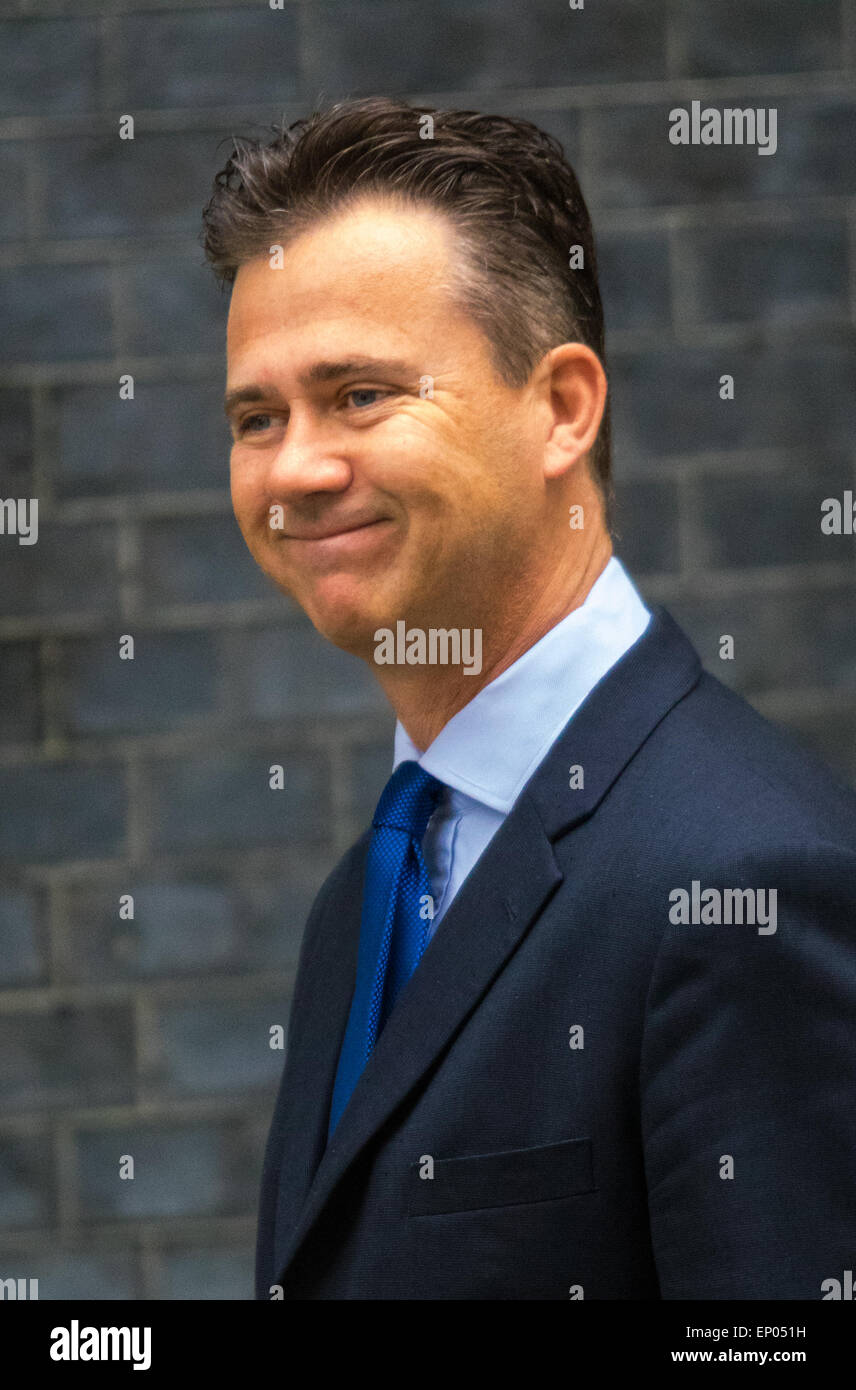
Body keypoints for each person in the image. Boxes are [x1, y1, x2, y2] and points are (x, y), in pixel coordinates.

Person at [201, 96, 856, 1300]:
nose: (295, 468)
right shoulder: (365, 897)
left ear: (560, 407)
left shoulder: (746, 877)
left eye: (359, 394)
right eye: (257, 416)